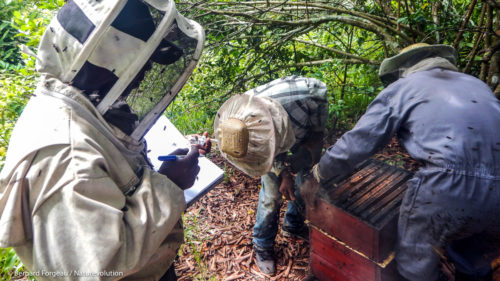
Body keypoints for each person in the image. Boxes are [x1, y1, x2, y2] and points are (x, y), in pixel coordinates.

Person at [0, 0, 207, 280]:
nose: (144, 74)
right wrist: (168, 185)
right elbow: (94, 268)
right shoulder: (67, 156)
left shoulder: (72, 101)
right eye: (141, 64)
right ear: (105, 63)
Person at [311, 43, 500, 281]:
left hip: (450, 184)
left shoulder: (404, 87)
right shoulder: (476, 84)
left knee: (414, 266)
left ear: (405, 67)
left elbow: (359, 141)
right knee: (474, 257)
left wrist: (320, 171)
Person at [213, 76, 328, 275]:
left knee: (305, 180)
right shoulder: (237, 130)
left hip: (303, 127)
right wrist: (282, 173)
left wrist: (310, 156)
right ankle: (263, 245)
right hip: (267, 138)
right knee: (272, 195)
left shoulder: (307, 99)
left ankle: (293, 224)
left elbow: (318, 135)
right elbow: (265, 158)